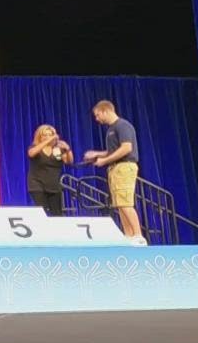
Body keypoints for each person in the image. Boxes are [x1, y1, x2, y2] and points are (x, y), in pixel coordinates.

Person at [83, 100, 146, 244]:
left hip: (124, 166)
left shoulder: (122, 125)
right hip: (115, 168)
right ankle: (129, 236)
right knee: (119, 203)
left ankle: (138, 235)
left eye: (98, 115)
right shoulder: (111, 129)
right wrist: (97, 154)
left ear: (105, 111)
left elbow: (126, 148)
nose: (97, 119)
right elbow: (113, 151)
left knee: (125, 202)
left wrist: (104, 161)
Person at [26, 124, 72, 216]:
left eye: (50, 135)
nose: (47, 137)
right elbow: (31, 154)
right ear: (39, 137)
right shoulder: (34, 148)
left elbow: (69, 161)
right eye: (45, 135)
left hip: (53, 185)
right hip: (37, 185)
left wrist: (68, 149)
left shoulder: (57, 149)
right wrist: (47, 141)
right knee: (42, 212)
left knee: (57, 214)